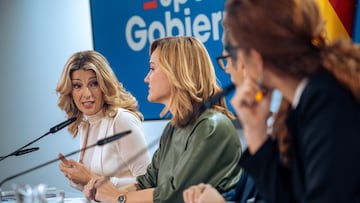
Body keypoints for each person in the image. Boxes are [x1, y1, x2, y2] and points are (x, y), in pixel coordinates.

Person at [223, 0, 360, 202]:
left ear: (256, 56)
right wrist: (256, 134)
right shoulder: (306, 102)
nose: (235, 65)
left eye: (235, 54)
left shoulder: (326, 102)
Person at [83, 36, 243, 203]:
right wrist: (102, 192)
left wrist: (119, 197)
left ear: (177, 72)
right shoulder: (173, 128)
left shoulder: (211, 126)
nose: (146, 78)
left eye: (152, 69)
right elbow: (147, 182)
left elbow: (175, 195)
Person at [183, 30, 266, 203]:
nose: (227, 68)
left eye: (227, 59)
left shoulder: (212, 125)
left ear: (244, 62)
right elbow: (246, 194)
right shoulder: (265, 119)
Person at [55, 50, 151, 191]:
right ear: (70, 91)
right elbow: (95, 190)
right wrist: (76, 175)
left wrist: (90, 178)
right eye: (77, 86)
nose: (86, 94)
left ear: (104, 85)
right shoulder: (85, 123)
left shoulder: (121, 120)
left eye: (93, 84)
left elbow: (148, 183)